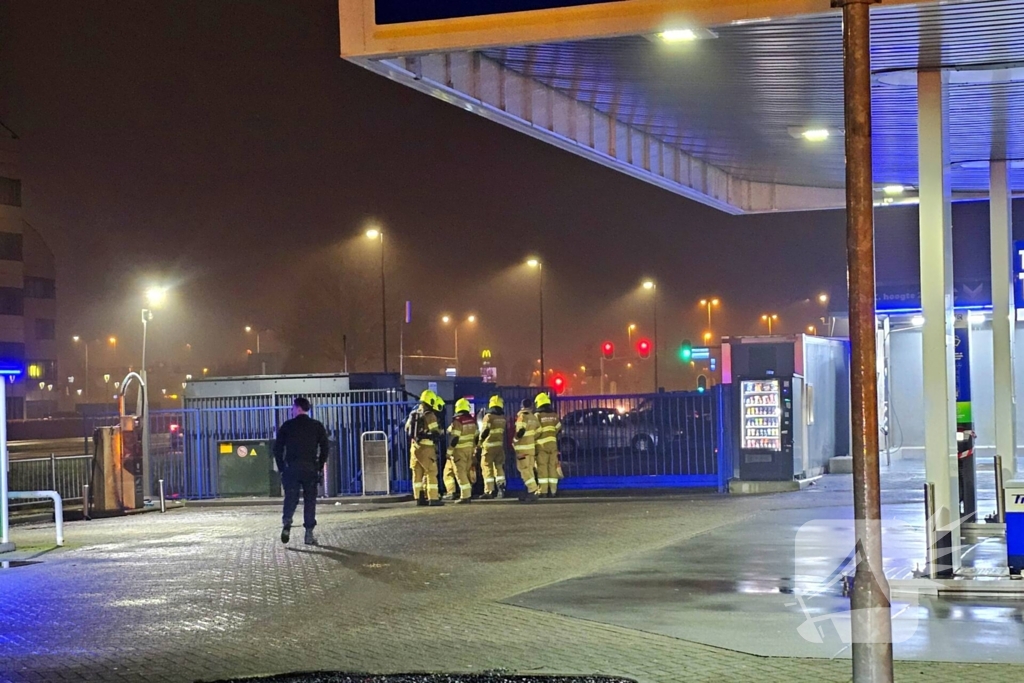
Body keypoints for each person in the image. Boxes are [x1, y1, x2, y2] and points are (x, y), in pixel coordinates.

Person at [274, 396, 330, 545]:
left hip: (292, 469)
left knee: (291, 498)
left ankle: (287, 524)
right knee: (310, 501)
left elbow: (277, 449)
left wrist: (282, 468)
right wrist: (319, 466)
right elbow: (325, 448)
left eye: (292, 408)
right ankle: (309, 534)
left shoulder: (287, 426)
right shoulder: (317, 426)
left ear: (298, 408)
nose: (291, 410)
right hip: (310, 468)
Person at [406, 390, 443, 506]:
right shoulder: (430, 415)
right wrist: (439, 432)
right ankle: (433, 498)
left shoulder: (414, 413)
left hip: (414, 448)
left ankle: (419, 498)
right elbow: (435, 432)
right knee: (431, 472)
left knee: (417, 474)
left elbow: (407, 429)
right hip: (427, 448)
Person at [444, 398, 479, 504]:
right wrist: (474, 448)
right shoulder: (472, 421)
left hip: (459, 451)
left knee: (460, 473)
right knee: (465, 472)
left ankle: (465, 496)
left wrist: (449, 452)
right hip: (469, 450)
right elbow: (477, 436)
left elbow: (455, 438)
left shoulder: (458, 421)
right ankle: (465, 493)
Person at [477, 395, 508, 499]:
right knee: (499, 467)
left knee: (487, 467)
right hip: (499, 447)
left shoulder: (488, 417)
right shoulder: (502, 418)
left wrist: (480, 441)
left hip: (488, 447)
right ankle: (501, 488)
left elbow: (485, 430)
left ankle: (489, 491)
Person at [512, 398, 541, 503]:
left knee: (524, 470)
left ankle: (532, 490)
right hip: (531, 449)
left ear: (522, 406)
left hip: (522, 449)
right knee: (529, 470)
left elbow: (521, 430)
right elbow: (539, 431)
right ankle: (531, 491)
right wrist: (531, 439)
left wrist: (515, 440)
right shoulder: (533, 417)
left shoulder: (522, 416)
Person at [534, 392, 562, 497]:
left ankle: (543, 491)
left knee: (542, 468)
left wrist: (533, 439)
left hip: (541, 446)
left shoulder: (537, 415)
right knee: (552, 467)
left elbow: (537, 431)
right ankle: (553, 491)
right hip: (553, 445)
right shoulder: (554, 415)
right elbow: (558, 427)